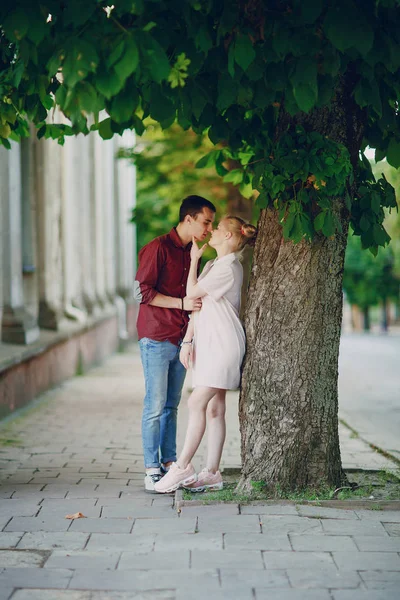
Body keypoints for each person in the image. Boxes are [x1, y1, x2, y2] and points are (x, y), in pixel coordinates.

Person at [154, 216, 257, 494]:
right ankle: (212, 472)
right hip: (208, 343)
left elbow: (191, 293)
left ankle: (183, 465)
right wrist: (188, 341)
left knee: (197, 402)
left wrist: (193, 258)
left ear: (229, 237)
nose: (210, 232)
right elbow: (196, 306)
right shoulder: (215, 265)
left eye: (218, 229)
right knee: (214, 407)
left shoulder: (228, 267)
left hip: (223, 343)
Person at [134, 195, 216, 492]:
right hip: (156, 336)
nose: (209, 228)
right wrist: (182, 303)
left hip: (181, 337)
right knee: (155, 405)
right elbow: (141, 292)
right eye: (206, 221)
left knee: (172, 405)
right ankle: (151, 469)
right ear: (189, 219)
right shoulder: (157, 248)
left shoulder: (193, 252)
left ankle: (170, 463)